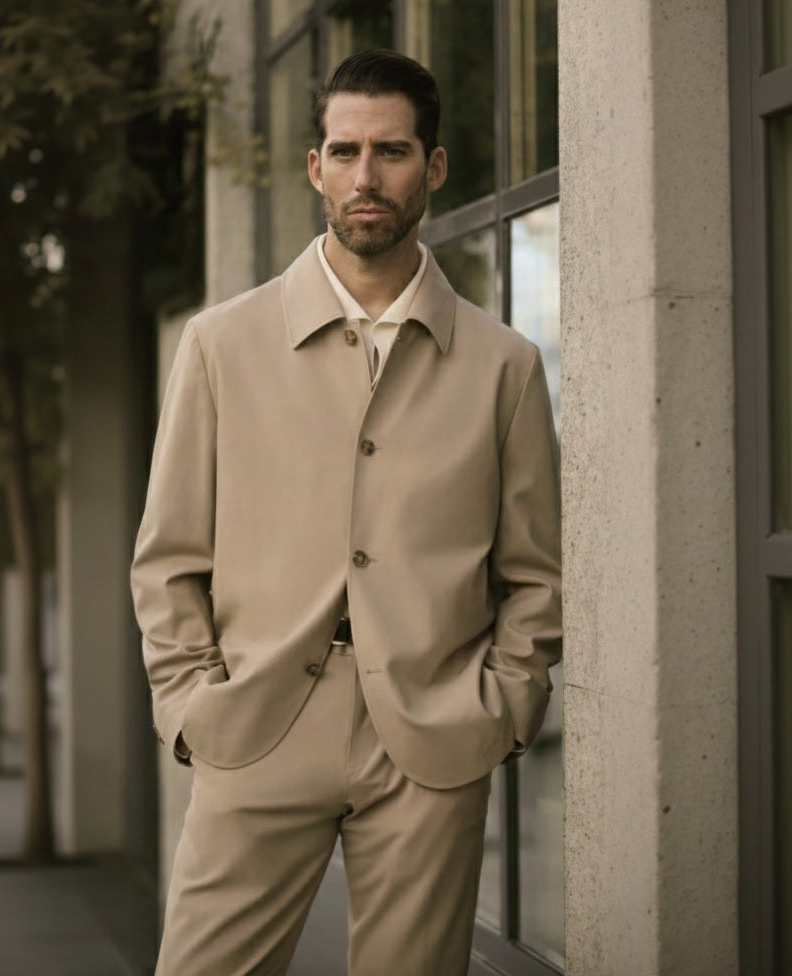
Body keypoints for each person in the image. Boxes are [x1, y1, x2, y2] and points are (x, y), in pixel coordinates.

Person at [131, 47, 562, 976]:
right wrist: (191, 705)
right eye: (347, 150)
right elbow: (167, 559)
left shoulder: (504, 367)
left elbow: (533, 574)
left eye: (394, 151)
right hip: (254, 727)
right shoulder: (219, 346)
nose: (368, 176)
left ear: (433, 168)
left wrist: (503, 705)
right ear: (315, 167)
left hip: (431, 741)